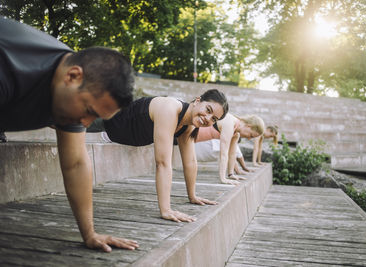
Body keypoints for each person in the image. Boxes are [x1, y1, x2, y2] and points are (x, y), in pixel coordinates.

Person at [0, 17, 138, 252]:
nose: (85, 123)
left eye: (95, 118)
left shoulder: (73, 84)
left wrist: (90, 234)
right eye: (88, 111)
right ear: (73, 76)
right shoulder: (10, 66)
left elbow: (75, 163)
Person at [87, 89, 229, 223]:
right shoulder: (170, 108)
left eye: (214, 119)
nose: (208, 118)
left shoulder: (189, 126)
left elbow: (190, 162)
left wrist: (192, 196)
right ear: (198, 101)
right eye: (208, 110)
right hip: (99, 122)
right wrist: (166, 210)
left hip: (113, 135)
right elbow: (162, 163)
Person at [196, 113, 265, 185]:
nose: (249, 138)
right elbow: (224, 153)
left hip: (191, 138)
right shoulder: (230, 122)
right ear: (248, 126)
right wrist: (223, 178)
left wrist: (231, 174)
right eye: (251, 135)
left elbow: (232, 154)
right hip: (186, 132)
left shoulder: (236, 133)